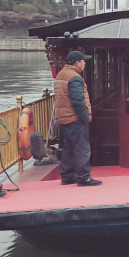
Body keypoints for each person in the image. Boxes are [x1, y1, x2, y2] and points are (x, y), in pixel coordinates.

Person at [54, 51, 101, 186]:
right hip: (75, 119)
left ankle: (68, 176)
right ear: (76, 63)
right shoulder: (74, 78)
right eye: (83, 61)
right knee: (82, 149)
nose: (84, 63)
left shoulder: (61, 75)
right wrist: (85, 117)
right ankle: (83, 177)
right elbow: (77, 101)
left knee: (68, 148)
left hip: (64, 118)